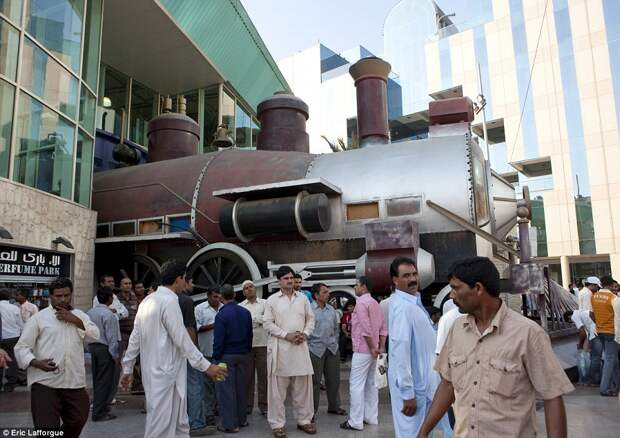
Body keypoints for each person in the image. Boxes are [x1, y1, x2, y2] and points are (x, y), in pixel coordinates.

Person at [418, 257, 574, 438]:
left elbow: (552, 395)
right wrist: (423, 432)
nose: (451, 295)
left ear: (478, 289)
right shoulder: (457, 330)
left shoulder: (528, 334)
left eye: (455, 288)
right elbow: (447, 385)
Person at [119, 260, 227, 438]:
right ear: (178, 279)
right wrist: (206, 367)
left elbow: (134, 338)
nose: (186, 283)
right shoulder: (169, 301)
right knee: (160, 427)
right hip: (166, 374)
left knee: (178, 424)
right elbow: (182, 339)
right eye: (185, 279)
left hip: (158, 373)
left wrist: (128, 367)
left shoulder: (147, 300)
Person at [15, 278, 100, 436]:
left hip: (74, 382)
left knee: (78, 419)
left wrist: (75, 320)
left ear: (71, 295)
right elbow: (21, 347)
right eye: (58, 296)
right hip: (45, 383)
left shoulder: (79, 315)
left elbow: (95, 335)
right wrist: (36, 362)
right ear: (51, 296)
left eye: (66, 295)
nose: (62, 299)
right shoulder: (38, 318)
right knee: (46, 429)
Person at [386, 258, 451, 438]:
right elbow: (400, 352)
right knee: (411, 434)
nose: (413, 279)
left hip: (424, 386)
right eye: (406, 275)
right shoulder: (402, 308)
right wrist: (407, 393)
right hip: (413, 391)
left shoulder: (413, 302)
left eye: (414, 274)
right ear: (395, 280)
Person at [263, 265, 316, 437]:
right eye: (286, 278)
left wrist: (305, 334)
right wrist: (287, 335)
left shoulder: (303, 298)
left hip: (300, 347)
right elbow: (267, 324)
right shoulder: (271, 300)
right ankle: (277, 424)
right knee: (277, 392)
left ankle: (304, 420)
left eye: (291, 278)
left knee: (303, 388)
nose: (290, 281)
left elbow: (311, 319)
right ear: (279, 281)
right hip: (281, 350)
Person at [341, 276, 387, 431]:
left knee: (356, 385)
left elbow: (365, 329)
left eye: (356, 285)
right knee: (372, 384)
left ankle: (355, 421)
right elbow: (383, 328)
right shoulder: (375, 303)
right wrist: (380, 347)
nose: (355, 287)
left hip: (363, 350)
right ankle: (371, 417)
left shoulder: (360, 303)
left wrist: (373, 347)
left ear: (364, 286)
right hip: (375, 350)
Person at [213, 284, 253, 433]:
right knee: (241, 388)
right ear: (235, 295)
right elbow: (250, 335)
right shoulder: (245, 312)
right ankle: (242, 420)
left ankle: (230, 425)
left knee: (226, 391)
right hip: (243, 354)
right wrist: (247, 351)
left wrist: (216, 357)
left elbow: (218, 340)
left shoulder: (221, 315)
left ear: (221, 297)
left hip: (226, 356)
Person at [179, 279, 212, 436]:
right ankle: (196, 424)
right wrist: (196, 353)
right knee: (195, 386)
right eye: (191, 282)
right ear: (182, 281)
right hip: (188, 351)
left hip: (172, 353)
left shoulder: (160, 299)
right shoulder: (186, 301)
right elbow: (190, 328)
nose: (193, 285)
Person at [308, 283, 346, 420]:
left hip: (332, 349)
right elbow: (305, 331)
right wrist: (309, 347)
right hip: (315, 350)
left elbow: (336, 329)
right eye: (324, 292)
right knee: (315, 382)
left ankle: (334, 406)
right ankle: (311, 412)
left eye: (328, 291)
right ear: (316, 295)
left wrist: (334, 343)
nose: (328, 294)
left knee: (334, 380)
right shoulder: (309, 310)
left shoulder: (331, 309)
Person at [87, 287, 121, 422]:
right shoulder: (109, 315)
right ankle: (99, 412)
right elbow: (112, 338)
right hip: (104, 349)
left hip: (93, 347)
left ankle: (99, 407)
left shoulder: (89, 312)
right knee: (104, 381)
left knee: (97, 379)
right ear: (110, 299)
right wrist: (115, 356)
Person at [239, 279, 268, 416]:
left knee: (263, 376)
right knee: (247, 377)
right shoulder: (241, 306)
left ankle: (264, 406)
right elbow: (241, 324)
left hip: (263, 344)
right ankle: (248, 406)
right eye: (246, 288)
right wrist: (258, 320)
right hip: (247, 345)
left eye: (251, 287)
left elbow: (268, 319)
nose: (249, 289)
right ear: (243, 292)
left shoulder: (265, 303)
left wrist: (254, 320)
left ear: (255, 289)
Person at [195, 287, 222, 426]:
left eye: (219, 297)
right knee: (207, 385)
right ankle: (209, 413)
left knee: (221, 381)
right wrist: (214, 325)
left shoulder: (224, 308)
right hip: (206, 352)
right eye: (215, 297)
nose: (217, 300)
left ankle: (219, 409)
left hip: (221, 352)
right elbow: (196, 328)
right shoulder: (199, 309)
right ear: (208, 296)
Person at [590, 275, 619, 396]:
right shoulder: (614, 298)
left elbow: (591, 314)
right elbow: (618, 318)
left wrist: (599, 324)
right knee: (609, 359)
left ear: (601, 284)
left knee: (614, 360)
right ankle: (604, 389)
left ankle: (617, 385)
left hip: (600, 331)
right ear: (611, 284)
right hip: (611, 332)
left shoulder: (594, 296)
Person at [564, 309, 596, 385]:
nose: (573, 322)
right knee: (588, 352)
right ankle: (589, 378)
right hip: (595, 330)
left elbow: (582, 332)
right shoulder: (580, 312)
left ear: (569, 317)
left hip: (594, 332)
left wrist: (580, 343)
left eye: (570, 321)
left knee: (591, 355)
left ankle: (589, 378)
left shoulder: (574, 316)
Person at [0, 288, 23, 392]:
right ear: (9, 297)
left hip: (2, 337)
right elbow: (20, 324)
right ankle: (10, 384)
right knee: (12, 360)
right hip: (13, 337)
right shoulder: (15, 308)